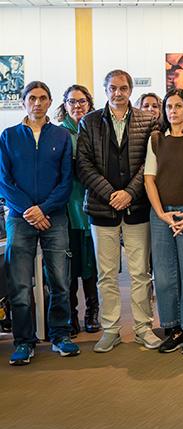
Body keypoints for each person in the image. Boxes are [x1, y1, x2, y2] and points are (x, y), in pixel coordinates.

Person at [76, 69, 160, 353]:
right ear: (105, 89)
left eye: (123, 88)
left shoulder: (148, 121)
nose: (118, 93)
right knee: (107, 273)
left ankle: (142, 327)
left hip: (136, 207)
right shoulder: (89, 122)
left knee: (140, 272)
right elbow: (83, 165)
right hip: (102, 208)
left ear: (130, 90)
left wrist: (129, 193)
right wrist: (111, 193)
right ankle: (110, 328)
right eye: (112, 88)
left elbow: (149, 165)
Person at [0, 81, 77, 365]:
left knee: (59, 280)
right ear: (23, 102)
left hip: (54, 217)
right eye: (32, 98)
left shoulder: (61, 135)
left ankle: (60, 335)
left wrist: (43, 210)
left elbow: (66, 181)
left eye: (43, 98)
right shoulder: (8, 137)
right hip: (19, 219)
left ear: (49, 102)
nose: (37, 103)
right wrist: (30, 211)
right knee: (20, 284)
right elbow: (4, 182)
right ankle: (24, 341)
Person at [144, 89, 183, 354]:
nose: (173, 111)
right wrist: (161, 214)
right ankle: (174, 328)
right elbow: (149, 178)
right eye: (168, 106)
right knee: (165, 276)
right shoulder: (156, 140)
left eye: (178, 106)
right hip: (162, 215)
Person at [56, 84, 100, 335]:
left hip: (93, 204)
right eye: (72, 102)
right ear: (64, 105)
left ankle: (92, 312)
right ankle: (71, 314)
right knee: (69, 265)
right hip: (68, 205)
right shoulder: (60, 133)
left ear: (89, 104)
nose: (77, 106)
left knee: (92, 264)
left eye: (82, 101)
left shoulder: (95, 129)